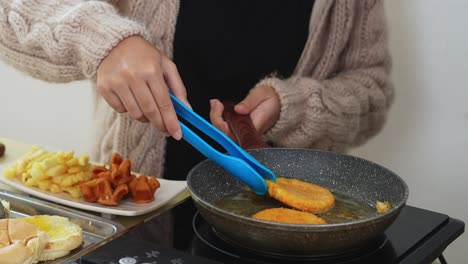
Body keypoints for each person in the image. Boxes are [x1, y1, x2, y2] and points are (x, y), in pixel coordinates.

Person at [0, 0, 393, 249]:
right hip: (140, 219)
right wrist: (103, 41)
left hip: (295, 236)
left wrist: (291, 106)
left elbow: (373, 90)